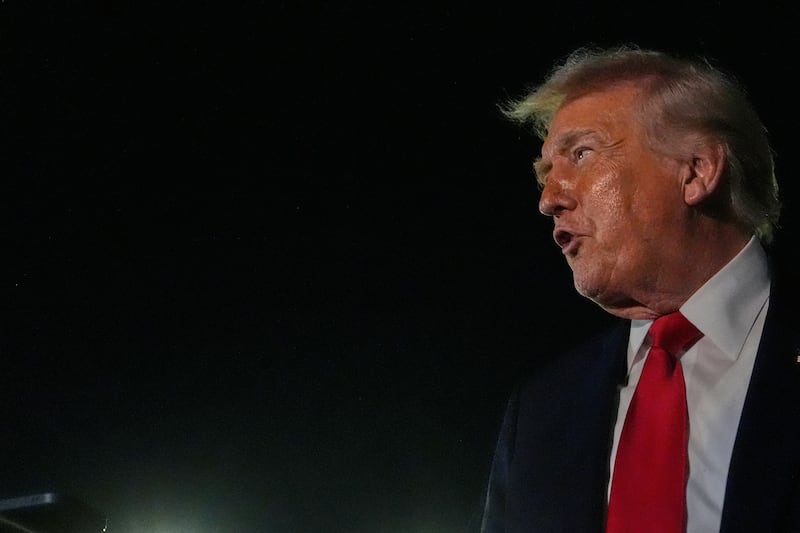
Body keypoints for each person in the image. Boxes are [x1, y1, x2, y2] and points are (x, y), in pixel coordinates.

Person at [479, 43, 800, 533]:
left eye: (581, 154)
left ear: (696, 170)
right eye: (545, 173)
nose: (548, 200)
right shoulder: (541, 412)